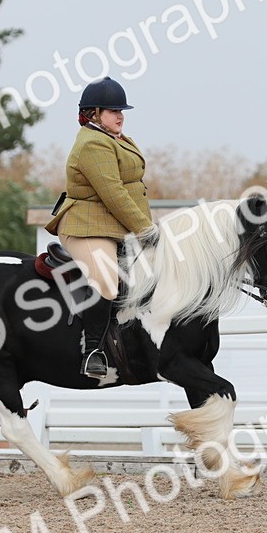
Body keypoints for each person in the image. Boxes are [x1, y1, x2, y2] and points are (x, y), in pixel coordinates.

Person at [44, 76, 153, 378]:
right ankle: (93, 351)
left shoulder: (117, 139)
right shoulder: (92, 144)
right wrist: (146, 230)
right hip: (85, 227)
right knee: (106, 278)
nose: (120, 115)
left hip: (114, 227)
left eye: (121, 110)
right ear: (93, 113)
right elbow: (114, 194)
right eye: (112, 110)